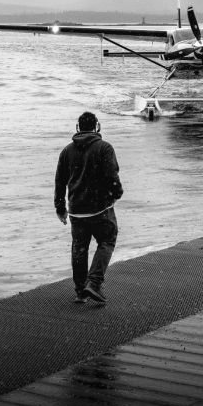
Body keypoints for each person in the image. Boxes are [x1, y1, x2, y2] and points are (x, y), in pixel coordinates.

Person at [54, 111, 123, 304]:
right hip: (101, 209)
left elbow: (59, 182)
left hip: (76, 210)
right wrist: (116, 195)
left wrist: (60, 208)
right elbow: (112, 177)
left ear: (77, 128)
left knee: (79, 248)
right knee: (107, 241)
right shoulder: (104, 148)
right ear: (97, 127)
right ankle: (94, 283)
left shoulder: (66, 151)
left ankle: (79, 291)